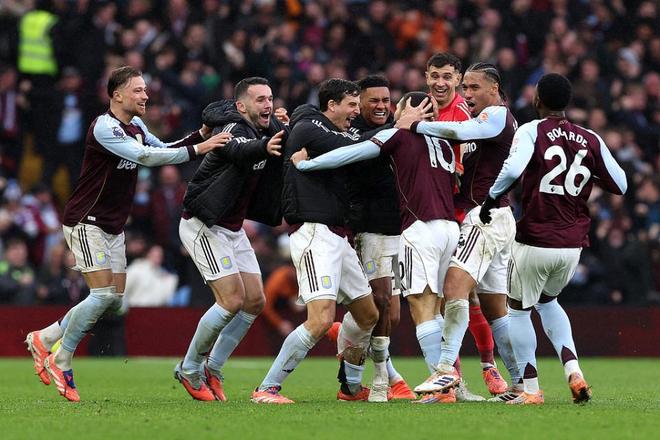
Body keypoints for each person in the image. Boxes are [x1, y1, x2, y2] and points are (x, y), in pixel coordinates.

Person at [24, 65, 232, 402]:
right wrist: (201, 148)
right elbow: (146, 157)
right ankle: (61, 358)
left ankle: (44, 338)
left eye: (145, 89)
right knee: (102, 295)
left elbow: (164, 147)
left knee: (114, 301)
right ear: (117, 95)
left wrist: (201, 133)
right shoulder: (104, 127)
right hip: (86, 220)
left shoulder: (136, 125)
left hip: (113, 225)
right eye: (138, 90)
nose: (146, 95)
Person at [290, 90, 465, 403]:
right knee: (435, 305)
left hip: (420, 228)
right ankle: (443, 382)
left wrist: (307, 165)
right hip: (450, 228)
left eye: (398, 107)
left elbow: (350, 153)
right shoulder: (444, 142)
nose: (391, 110)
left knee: (421, 307)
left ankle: (441, 383)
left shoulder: (399, 135)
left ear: (409, 112)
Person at [482, 73, 627, 404]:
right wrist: (590, 174)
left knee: (518, 310)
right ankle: (573, 370)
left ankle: (531, 390)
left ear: (537, 99)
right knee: (548, 301)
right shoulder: (590, 137)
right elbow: (620, 184)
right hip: (572, 245)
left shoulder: (531, 130)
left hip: (535, 237)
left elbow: (512, 170)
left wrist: (490, 200)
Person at [398, 63, 522, 402]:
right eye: (465, 87)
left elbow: (461, 132)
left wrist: (415, 124)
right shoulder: (486, 121)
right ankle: (521, 384)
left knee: (454, 287)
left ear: (494, 88)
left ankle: (444, 370)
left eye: (474, 87)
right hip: (497, 218)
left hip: (484, 216)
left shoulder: (496, 116)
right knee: (496, 309)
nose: (467, 94)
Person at [251, 79, 379, 404]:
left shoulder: (325, 130)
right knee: (320, 319)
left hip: (338, 234)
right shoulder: (309, 128)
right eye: (351, 104)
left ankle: (350, 389)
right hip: (313, 232)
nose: (356, 111)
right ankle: (267, 388)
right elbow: (355, 144)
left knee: (367, 314)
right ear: (331, 105)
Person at [174, 76, 286, 402]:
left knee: (255, 301)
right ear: (241, 106)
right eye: (260, 100)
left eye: (270, 98)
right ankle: (189, 368)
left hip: (233, 228)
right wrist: (263, 147)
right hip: (203, 225)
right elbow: (238, 148)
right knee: (231, 300)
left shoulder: (265, 127)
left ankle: (213, 367)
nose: (267, 105)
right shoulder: (235, 128)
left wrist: (281, 126)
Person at [331, 74, 415, 401]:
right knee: (379, 305)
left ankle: (344, 333)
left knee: (391, 315)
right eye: (373, 101)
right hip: (370, 230)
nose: (381, 106)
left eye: (386, 100)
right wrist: (400, 127)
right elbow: (368, 146)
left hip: (399, 231)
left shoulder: (396, 128)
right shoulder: (354, 133)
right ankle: (377, 379)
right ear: (360, 103)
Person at [426, 52, 503, 398]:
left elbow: (457, 169)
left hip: (463, 213)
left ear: (457, 79)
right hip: (439, 212)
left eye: (448, 77)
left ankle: (482, 369)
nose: (440, 83)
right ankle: (464, 374)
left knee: (462, 294)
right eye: (434, 76)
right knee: (453, 297)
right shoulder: (425, 108)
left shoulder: (463, 113)